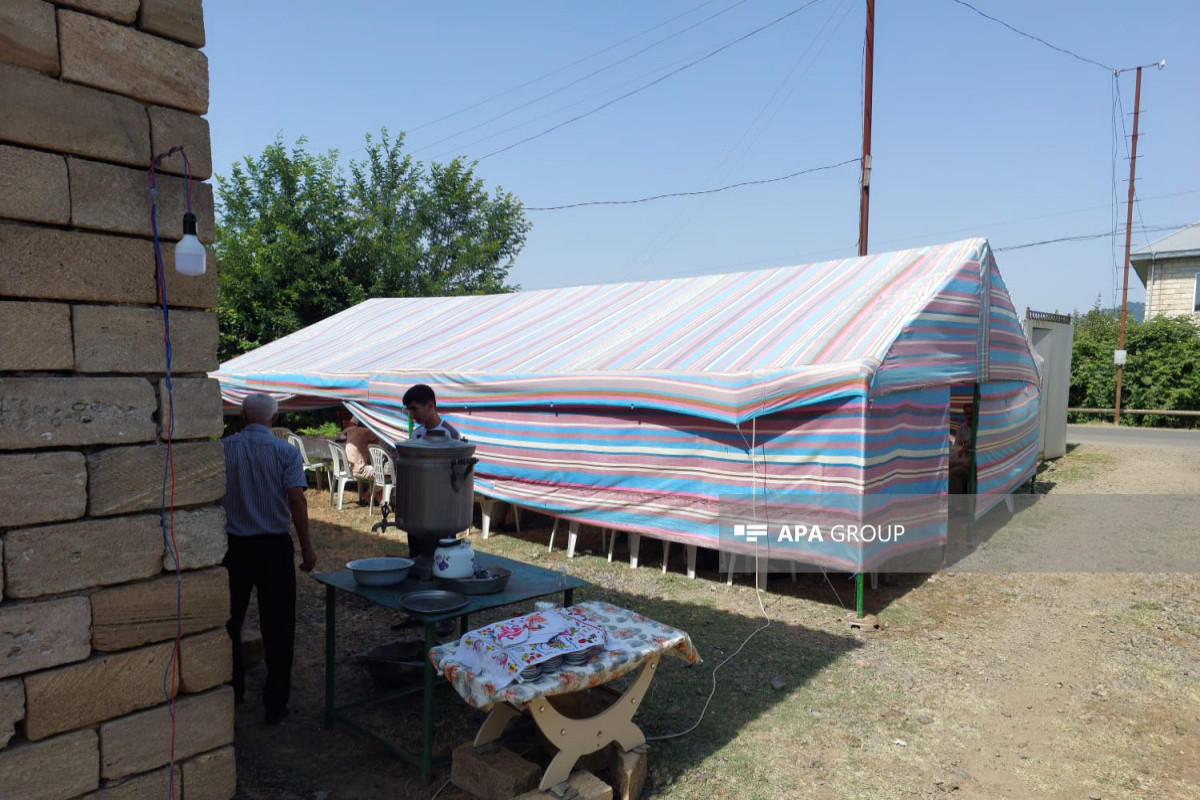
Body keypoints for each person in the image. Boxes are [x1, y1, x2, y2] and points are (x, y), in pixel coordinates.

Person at [219, 393, 317, 724]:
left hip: (233, 547)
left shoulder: (222, 448)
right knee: (278, 626)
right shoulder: (285, 452)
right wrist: (307, 547)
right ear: (273, 419)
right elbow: (296, 500)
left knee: (231, 621)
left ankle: (233, 689)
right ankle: (275, 703)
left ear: (243, 417)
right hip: (273, 547)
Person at [338, 410, 381, 503]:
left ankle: (376, 497)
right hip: (360, 470)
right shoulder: (366, 432)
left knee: (376, 469)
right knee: (384, 474)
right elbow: (380, 440)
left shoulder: (349, 431)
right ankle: (369, 495)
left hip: (350, 469)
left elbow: (351, 423)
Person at [949, 402, 975, 495]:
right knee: (944, 467)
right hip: (964, 459)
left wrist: (966, 447)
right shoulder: (962, 427)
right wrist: (963, 448)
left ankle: (957, 504)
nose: (969, 416)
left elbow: (979, 443)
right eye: (967, 413)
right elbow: (957, 447)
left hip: (977, 463)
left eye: (972, 413)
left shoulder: (982, 427)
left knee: (952, 473)